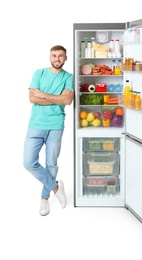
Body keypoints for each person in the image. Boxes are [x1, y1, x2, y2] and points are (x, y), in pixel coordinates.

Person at [23, 45, 74, 216]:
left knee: (51, 163)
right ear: (49, 57)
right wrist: (57, 98)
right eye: (54, 55)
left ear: (65, 58)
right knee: (29, 162)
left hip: (56, 125)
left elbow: (67, 101)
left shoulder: (69, 77)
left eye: (61, 56)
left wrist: (43, 95)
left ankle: (44, 199)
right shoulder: (39, 73)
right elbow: (32, 98)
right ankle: (56, 187)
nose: (57, 59)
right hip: (36, 124)